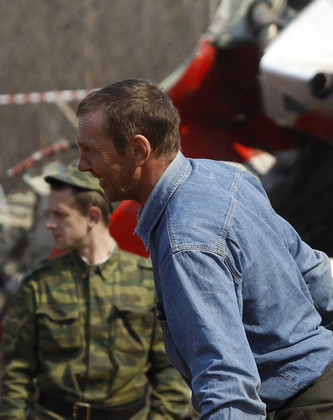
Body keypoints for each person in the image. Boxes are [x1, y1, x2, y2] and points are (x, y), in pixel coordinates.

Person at [75, 79, 333, 419]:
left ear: (138, 150)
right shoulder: (225, 178)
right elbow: (308, 266)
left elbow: (227, 382)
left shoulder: (186, 246)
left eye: (91, 150)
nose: (82, 165)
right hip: (329, 397)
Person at [0, 163, 191, 420]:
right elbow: (14, 371)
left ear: (92, 217)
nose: (49, 224)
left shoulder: (148, 282)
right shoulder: (39, 283)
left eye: (60, 215)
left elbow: (170, 371)